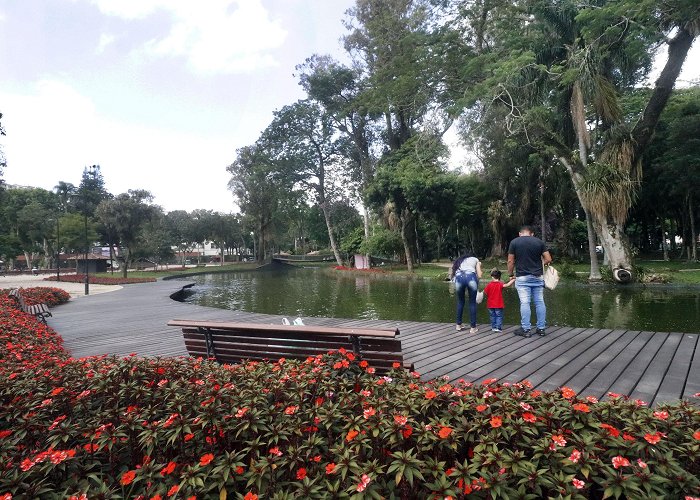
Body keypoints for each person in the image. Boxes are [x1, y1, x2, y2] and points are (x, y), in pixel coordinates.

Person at [507, 225, 552, 338]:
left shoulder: (514, 242)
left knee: (525, 302)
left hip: (522, 277)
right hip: (538, 276)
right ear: (532, 234)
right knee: (540, 302)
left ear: (520, 233)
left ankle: (526, 329)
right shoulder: (539, 242)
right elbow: (548, 259)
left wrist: (511, 274)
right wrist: (541, 263)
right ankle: (541, 329)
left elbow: (510, 261)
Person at [450, 251, 482, 333]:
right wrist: (479, 265)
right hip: (470, 277)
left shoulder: (459, 261)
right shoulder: (475, 259)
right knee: (472, 303)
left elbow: (452, 274)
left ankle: (458, 325)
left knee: (460, 301)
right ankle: (473, 328)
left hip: (459, 278)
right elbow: (479, 275)